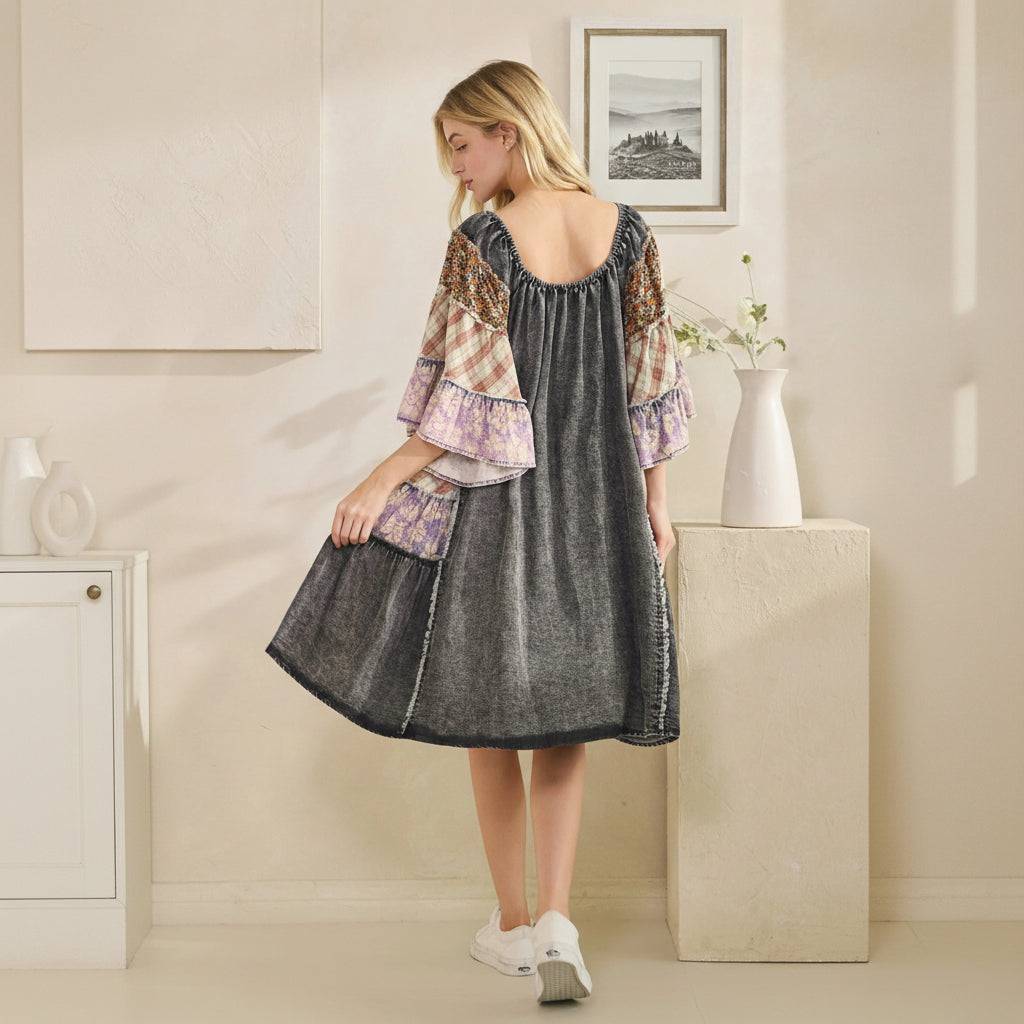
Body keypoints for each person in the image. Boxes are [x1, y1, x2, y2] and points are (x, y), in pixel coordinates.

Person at [266, 59, 695, 1004]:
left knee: (489, 718)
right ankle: (560, 919)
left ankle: (509, 926)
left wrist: (377, 480)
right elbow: (653, 381)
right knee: (564, 724)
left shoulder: (484, 244)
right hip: (607, 507)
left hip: (508, 509)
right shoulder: (628, 234)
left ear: (509, 129)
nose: (458, 172)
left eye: (462, 147)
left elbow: (466, 406)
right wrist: (658, 510)